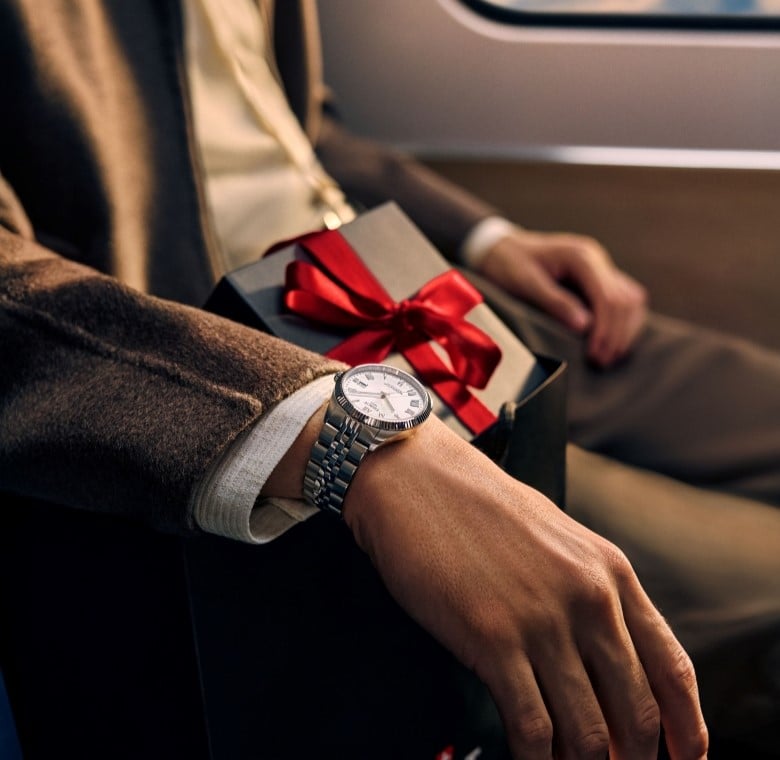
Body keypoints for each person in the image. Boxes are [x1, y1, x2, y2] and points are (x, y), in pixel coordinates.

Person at [0, 0, 770, 756]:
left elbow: (291, 130)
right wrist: (343, 435)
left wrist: (487, 237)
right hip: (206, 360)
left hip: (400, 283)